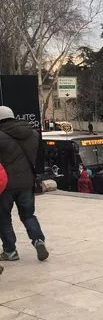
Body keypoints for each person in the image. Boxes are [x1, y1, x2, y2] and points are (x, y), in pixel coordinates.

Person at [0, 106, 49, 262]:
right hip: (27, 182)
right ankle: (38, 240)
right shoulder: (33, 134)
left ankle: (10, 251)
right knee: (28, 215)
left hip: (5, 184)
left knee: (3, 217)